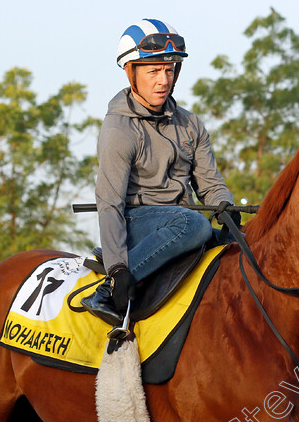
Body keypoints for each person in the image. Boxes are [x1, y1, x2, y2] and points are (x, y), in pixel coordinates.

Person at [81, 18, 239, 326]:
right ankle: (106, 291)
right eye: (153, 71)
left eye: (169, 70)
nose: (163, 80)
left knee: (245, 244)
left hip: (184, 221)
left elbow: (211, 185)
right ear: (131, 73)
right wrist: (118, 269)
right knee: (192, 224)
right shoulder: (118, 129)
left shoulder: (191, 124)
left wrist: (226, 208)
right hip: (138, 222)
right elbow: (110, 204)